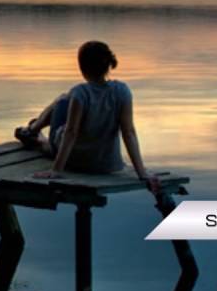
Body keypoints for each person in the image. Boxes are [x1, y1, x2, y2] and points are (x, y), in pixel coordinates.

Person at [14, 41, 159, 193]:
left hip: (74, 161)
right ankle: (35, 135)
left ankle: (33, 131)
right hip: (107, 166)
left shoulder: (80, 93)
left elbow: (71, 133)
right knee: (65, 105)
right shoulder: (123, 91)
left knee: (62, 100)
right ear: (107, 65)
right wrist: (142, 173)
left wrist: (56, 171)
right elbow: (129, 133)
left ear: (82, 67)